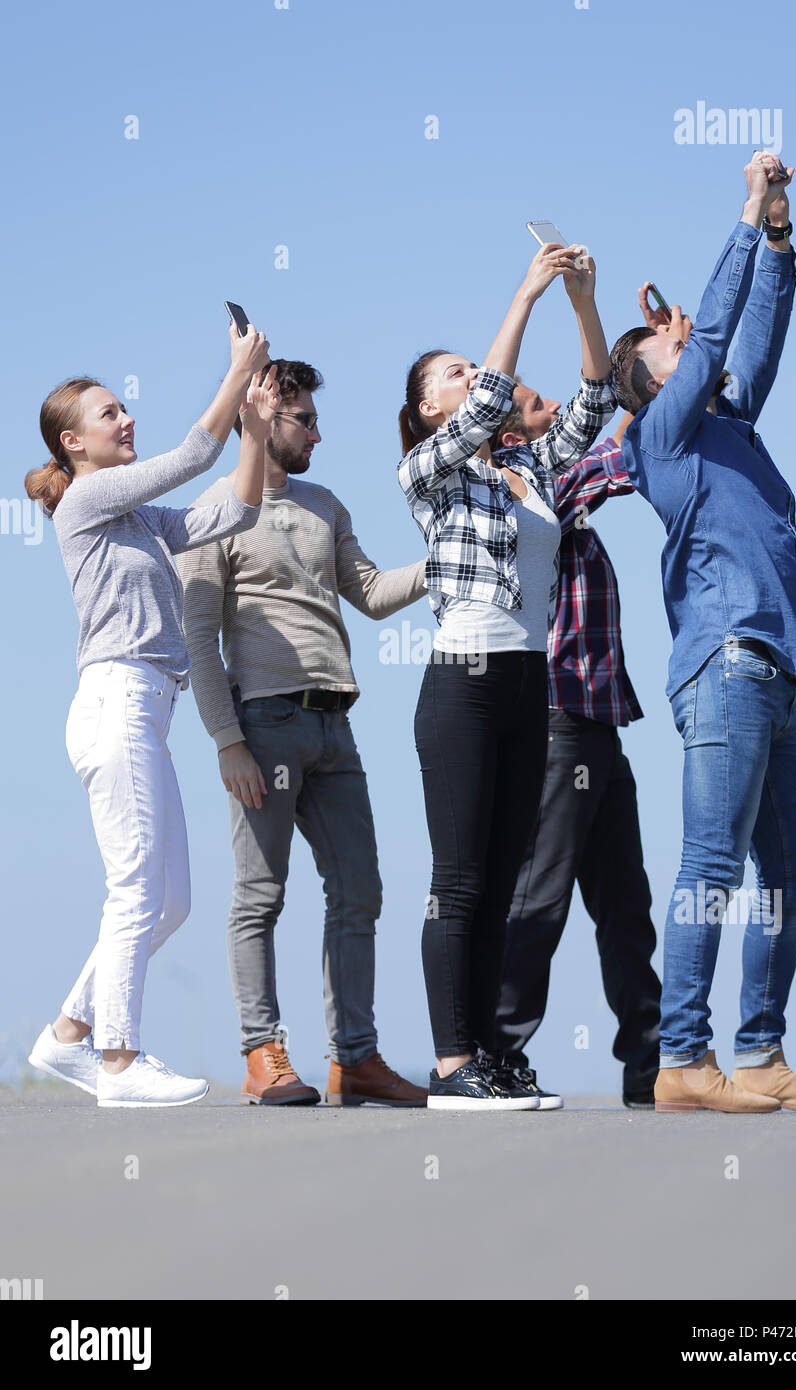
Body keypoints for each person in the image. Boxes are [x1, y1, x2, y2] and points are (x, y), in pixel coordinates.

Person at [610, 152, 796, 1113]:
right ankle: (681, 1058)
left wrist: (779, 233)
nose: (685, 341)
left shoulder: (729, 422)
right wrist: (744, 214)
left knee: (793, 874)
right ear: (649, 382)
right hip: (724, 663)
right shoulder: (655, 437)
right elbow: (710, 334)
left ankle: (760, 1055)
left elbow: (759, 331)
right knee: (712, 866)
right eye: (666, 346)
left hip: (779, 670)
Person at [25, 320, 277, 1107]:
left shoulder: (135, 520)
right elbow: (190, 457)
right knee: (136, 890)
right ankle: (120, 1060)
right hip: (117, 699)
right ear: (74, 443)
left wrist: (256, 435)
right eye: (110, 414)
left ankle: (68, 1034)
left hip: (143, 711)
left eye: (123, 408)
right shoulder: (91, 498)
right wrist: (237, 371)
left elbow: (226, 514)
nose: (126, 418)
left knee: (169, 900)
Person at [398, 241, 617, 1109]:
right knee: (458, 879)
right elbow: (494, 396)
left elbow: (595, 401)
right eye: (453, 372)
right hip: (463, 681)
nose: (475, 377)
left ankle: (485, 1053)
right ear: (427, 408)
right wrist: (525, 293)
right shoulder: (426, 471)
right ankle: (452, 1063)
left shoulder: (526, 470)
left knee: (503, 879)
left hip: (532, 680)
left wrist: (583, 303)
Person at [178, 359, 428, 1107]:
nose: (318, 431)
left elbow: (375, 594)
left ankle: (356, 1060)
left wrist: (446, 562)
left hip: (336, 726)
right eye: (304, 419)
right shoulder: (213, 511)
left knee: (361, 891)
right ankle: (262, 1054)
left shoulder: (326, 505)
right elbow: (197, 635)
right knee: (261, 894)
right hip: (265, 725)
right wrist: (228, 741)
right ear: (265, 416)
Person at [488, 390, 661, 1110]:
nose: (555, 403)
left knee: (625, 903)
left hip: (598, 726)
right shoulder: (527, 483)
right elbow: (623, 453)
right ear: (507, 433)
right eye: (535, 402)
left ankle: (651, 1062)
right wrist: (647, 378)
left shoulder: (561, 493)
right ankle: (497, 1053)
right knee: (542, 897)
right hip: (561, 726)